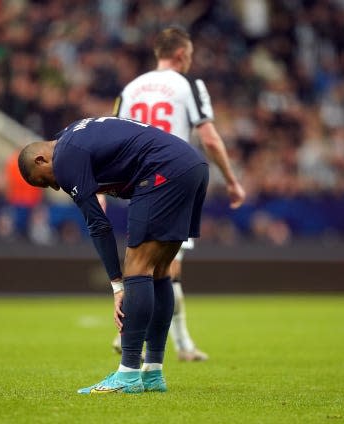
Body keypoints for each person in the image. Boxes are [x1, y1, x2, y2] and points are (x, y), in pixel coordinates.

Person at [18, 116, 209, 394]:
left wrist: (118, 285)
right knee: (160, 269)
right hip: (193, 165)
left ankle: (128, 375)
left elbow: (98, 224)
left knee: (137, 267)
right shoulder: (72, 134)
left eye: (45, 182)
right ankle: (153, 372)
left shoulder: (67, 157)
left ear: (40, 160)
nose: (56, 188)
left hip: (162, 170)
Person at [109, 26, 246, 361]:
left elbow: (113, 137)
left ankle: (151, 339)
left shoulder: (131, 89)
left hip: (140, 185)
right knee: (166, 271)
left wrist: (103, 184)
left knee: (144, 267)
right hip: (174, 182)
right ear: (183, 54)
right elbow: (210, 138)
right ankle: (162, 343)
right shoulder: (189, 85)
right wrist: (231, 179)